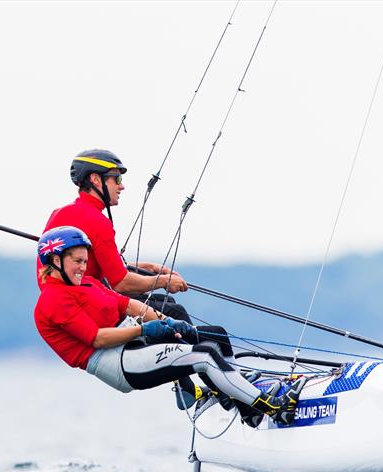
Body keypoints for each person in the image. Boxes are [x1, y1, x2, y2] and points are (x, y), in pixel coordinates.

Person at [33, 226, 305, 426]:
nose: (83, 267)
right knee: (205, 357)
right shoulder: (52, 301)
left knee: (214, 336)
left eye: (84, 261)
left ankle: (246, 407)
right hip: (116, 362)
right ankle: (271, 407)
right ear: (55, 261)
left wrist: (167, 323)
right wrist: (144, 330)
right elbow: (98, 339)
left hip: (133, 342)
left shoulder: (89, 284)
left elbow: (129, 306)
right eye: (77, 262)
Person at [39, 148, 190, 323]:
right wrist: (163, 281)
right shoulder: (97, 220)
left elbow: (99, 268)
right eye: (116, 178)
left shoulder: (59, 213)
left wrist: (147, 268)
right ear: (95, 180)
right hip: (84, 305)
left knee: (164, 302)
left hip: (65, 302)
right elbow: (120, 283)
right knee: (175, 311)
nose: (122, 186)